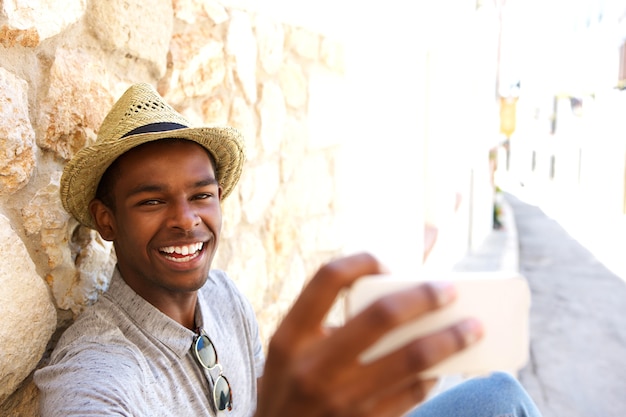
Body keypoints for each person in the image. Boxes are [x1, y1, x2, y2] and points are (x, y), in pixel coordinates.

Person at [34, 83, 542, 417]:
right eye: (151, 201)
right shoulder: (95, 374)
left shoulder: (224, 294)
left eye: (202, 195)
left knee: (501, 396)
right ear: (107, 220)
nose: (186, 220)